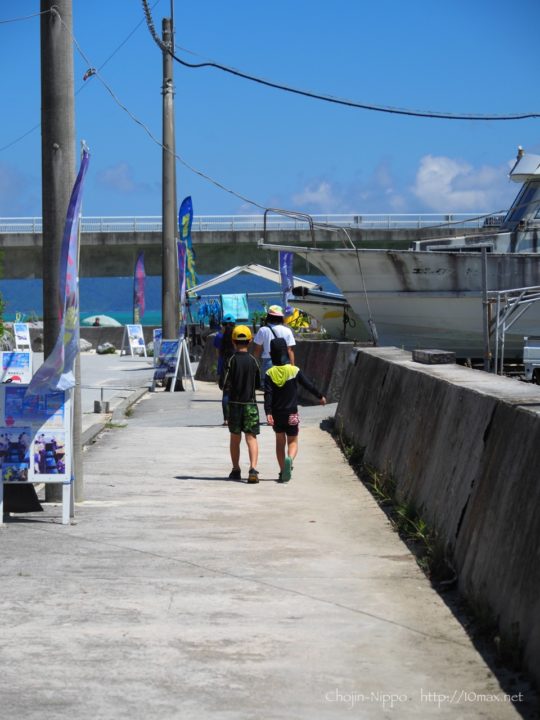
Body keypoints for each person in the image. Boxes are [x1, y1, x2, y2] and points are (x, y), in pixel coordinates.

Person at [264, 342, 326, 483]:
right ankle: (290, 460)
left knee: (280, 442)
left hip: (277, 414)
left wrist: (268, 412)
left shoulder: (269, 373)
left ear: (270, 355)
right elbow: (308, 385)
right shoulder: (294, 370)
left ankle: (281, 471)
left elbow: (268, 395)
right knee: (293, 441)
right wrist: (320, 396)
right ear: (286, 352)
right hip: (291, 413)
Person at [222, 325, 261, 484]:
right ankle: (252, 469)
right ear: (250, 341)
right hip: (250, 404)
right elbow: (258, 383)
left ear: (233, 341)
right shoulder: (253, 361)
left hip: (235, 404)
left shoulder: (231, 360)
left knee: (235, 438)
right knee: (251, 438)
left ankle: (236, 469)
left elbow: (224, 383)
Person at [253, 305, 296, 379]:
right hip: (284, 363)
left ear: (268, 317)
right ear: (281, 317)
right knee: (283, 386)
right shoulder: (287, 331)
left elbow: (257, 350)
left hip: (268, 362)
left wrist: (254, 363)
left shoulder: (263, 330)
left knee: (268, 387)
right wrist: (293, 367)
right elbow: (290, 351)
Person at [213, 313, 236, 424]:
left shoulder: (218, 336)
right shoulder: (235, 335)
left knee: (226, 393)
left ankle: (226, 419)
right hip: (236, 365)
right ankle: (235, 417)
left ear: (223, 324)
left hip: (223, 366)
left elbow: (217, 354)